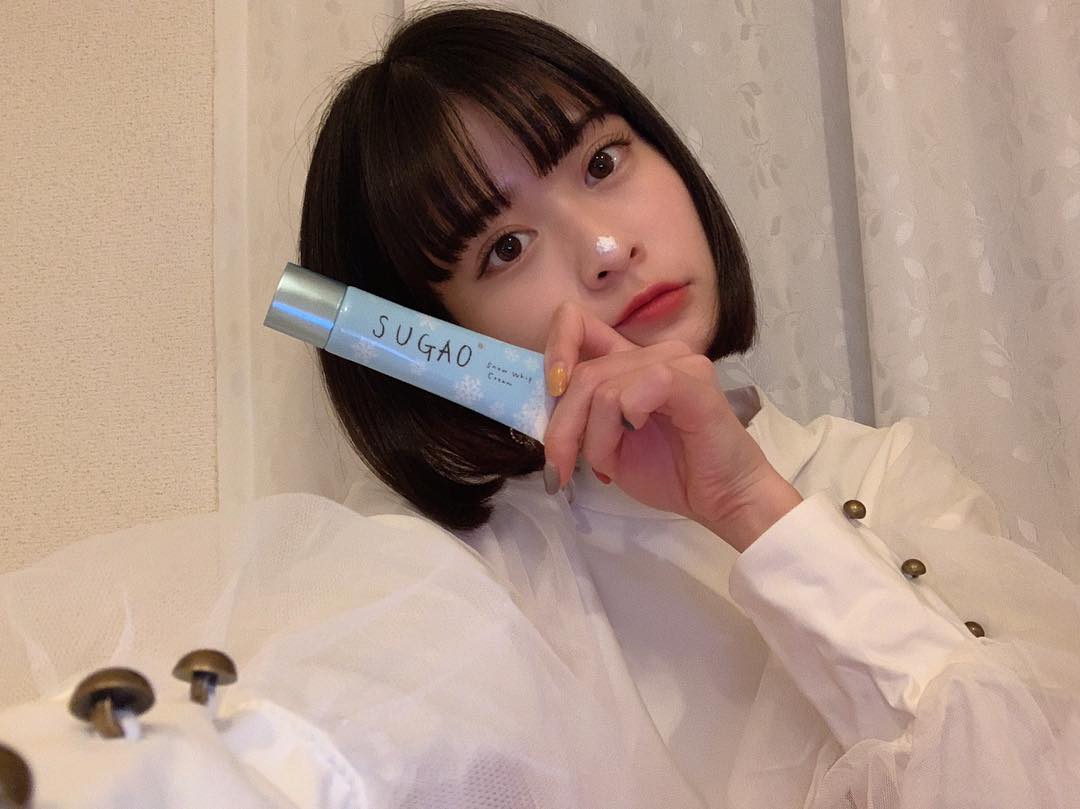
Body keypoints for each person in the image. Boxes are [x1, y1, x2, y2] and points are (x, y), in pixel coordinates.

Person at [293, 4, 1080, 808]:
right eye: (506, 248)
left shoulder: (887, 474)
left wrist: (751, 506)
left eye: (603, 162)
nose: (606, 250)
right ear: (438, 334)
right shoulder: (456, 575)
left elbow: (1027, 776)